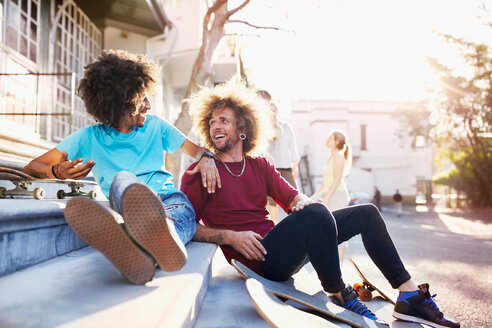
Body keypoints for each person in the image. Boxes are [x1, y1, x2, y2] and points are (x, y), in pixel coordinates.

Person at [180, 79, 459, 328]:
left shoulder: (260, 165)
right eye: (212, 121)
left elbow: (293, 197)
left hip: (281, 247)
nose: (216, 125)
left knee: (367, 214)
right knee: (317, 214)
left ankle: (409, 295)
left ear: (242, 128)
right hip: (259, 261)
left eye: (224, 120)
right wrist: (229, 237)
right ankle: (338, 292)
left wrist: (301, 202)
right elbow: (186, 227)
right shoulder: (200, 173)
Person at [23, 50, 221, 285]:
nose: (148, 105)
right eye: (141, 100)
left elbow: (196, 149)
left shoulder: (157, 126)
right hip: (127, 203)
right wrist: (56, 172)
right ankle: (142, 237)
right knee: (124, 180)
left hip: (168, 201)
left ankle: (144, 252)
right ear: (120, 105)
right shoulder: (89, 138)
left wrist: (207, 157)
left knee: (181, 218)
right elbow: (32, 167)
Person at [257, 90, 300, 221]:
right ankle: (274, 225)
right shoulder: (264, 129)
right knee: (271, 202)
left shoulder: (287, 127)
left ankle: (298, 222)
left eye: (275, 111)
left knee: (295, 197)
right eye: (270, 112)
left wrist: (295, 166)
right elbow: (263, 148)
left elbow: (293, 148)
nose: (273, 114)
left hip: (287, 167)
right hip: (272, 168)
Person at [310, 130, 352, 261]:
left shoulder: (339, 157)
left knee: (337, 228)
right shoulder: (331, 157)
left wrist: (327, 197)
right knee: (329, 228)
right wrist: (314, 196)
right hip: (330, 195)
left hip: (338, 196)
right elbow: (326, 182)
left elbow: (337, 180)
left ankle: (340, 265)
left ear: (337, 142)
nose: (327, 139)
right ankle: (332, 260)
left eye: (330, 137)